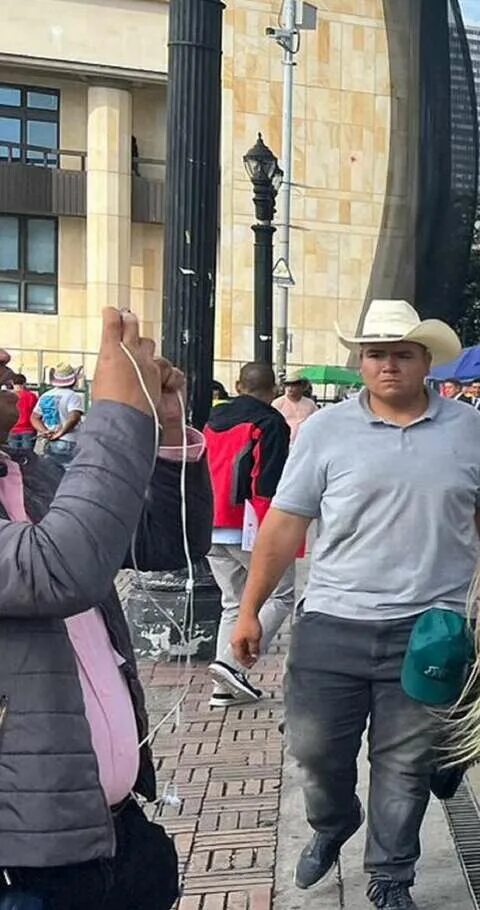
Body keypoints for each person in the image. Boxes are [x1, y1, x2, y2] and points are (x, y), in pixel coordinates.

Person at [229, 301, 480, 910]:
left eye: (402, 354)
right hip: (334, 620)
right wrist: (250, 609)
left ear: (425, 361)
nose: (388, 365)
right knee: (314, 750)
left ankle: (389, 879)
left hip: (433, 626)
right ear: (360, 362)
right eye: (376, 354)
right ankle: (333, 822)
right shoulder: (326, 431)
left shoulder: (467, 428)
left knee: (405, 764)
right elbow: (283, 524)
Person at [0, 309, 206, 910]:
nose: (7, 363)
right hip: (26, 867)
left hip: (113, 834)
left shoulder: (28, 474)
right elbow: (59, 567)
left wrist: (164, 433)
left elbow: (158, 543)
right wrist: (119, 413)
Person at [202, 361, 295, 709]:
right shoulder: (270, 422)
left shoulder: (213, 421)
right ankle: (231, 665)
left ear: (238, 385)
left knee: (233, 602)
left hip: (211, 521)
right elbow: (267, 483)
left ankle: (223, 686)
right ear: (273, 390)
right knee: (280, 595)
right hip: (250, 522)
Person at [35, 362, 86, 471]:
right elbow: (74, 418)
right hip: (69, 440)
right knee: (69, 474)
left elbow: (34, 417)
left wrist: (45, 431)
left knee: (52, 473)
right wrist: (60, 433)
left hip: (49, 440)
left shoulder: (45, 395)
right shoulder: (73, 396)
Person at [271, 373, 319, 442]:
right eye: (287, 385)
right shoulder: (278, 403)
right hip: (285, 442)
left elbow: (316, 419)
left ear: (301, 386)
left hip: (305, 441)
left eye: (294, 385)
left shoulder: (310, 403)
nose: (290, 388)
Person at [8, 374, 38, 454]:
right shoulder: (32, 396)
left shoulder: (7, 396)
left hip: (12, 429)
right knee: (28, 457)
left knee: (13, 457)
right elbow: (36, 413)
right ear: (24, 383)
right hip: (28, 429)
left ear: (12, 383)